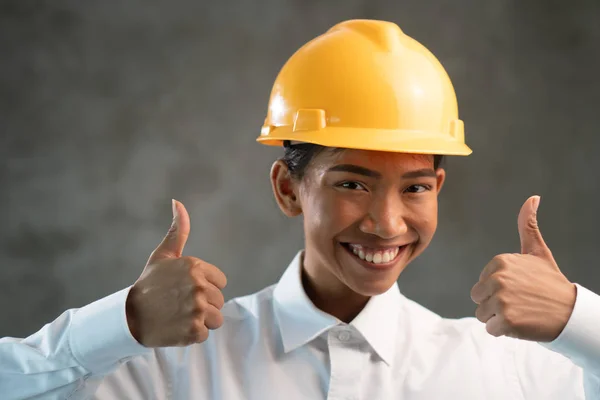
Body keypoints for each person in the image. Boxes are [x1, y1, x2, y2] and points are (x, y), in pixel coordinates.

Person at [1, 19, 599, 400]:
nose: (388, 223)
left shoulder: (507, 370)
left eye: (415, 187)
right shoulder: (173, 367)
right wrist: (122, 322)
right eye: (353, 184)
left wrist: (577, 318)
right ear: (288, 188)